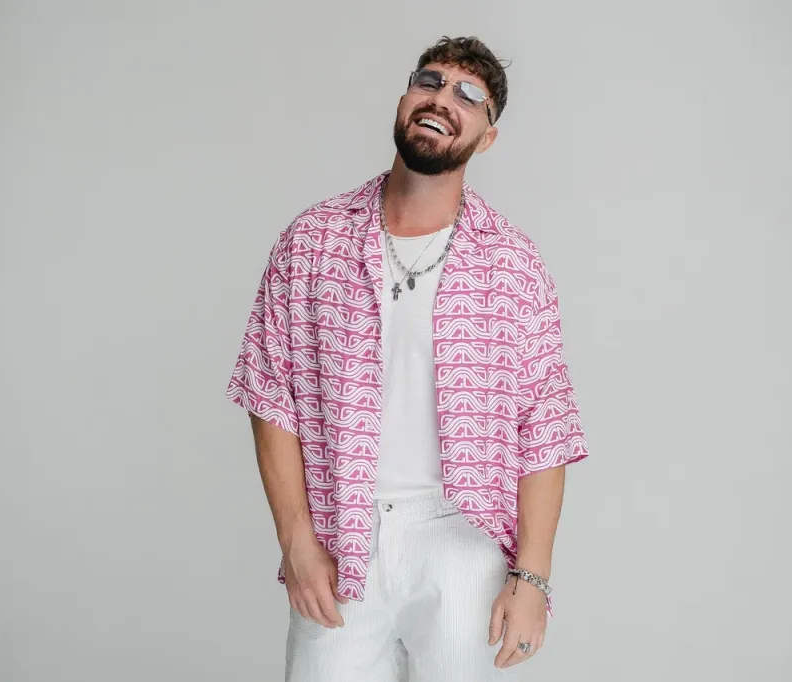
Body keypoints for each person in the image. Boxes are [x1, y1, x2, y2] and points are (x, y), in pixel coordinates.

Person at [226, 35, 589, 681]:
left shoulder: (513, 264)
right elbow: (270, 394)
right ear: (403, 100)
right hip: (341, 534)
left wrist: (533, 579)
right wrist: (297, 541)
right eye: (430, 81)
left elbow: (545, 427)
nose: (442, 99)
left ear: (487, 138)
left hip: (462, 540)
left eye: (468, 95)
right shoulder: (313, 241)